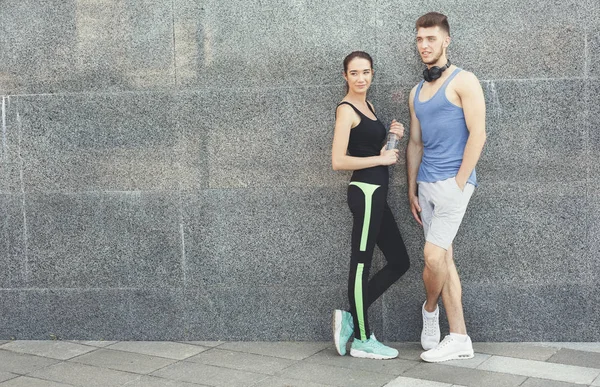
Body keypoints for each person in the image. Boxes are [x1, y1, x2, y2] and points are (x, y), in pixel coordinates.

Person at [406, 12, 487, 362]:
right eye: (420, 39)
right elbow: (415, 143)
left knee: (432, 256)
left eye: (431, 39)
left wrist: (459, 181)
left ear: (446, 40)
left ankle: (429, 309)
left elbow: (479, 133)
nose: (424, 45)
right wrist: (410, 187)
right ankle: (459, 337)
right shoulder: (416, 92)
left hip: (454, 184)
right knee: (445, 259)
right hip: (426, 183)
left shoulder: (464, 80)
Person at [331, 51, 411, 360]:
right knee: (361, 263)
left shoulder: (370, 106)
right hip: (364, 191)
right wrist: (380, 158)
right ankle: (363, 339)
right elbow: (338, 161)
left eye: (366, 72)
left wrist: (392, 138)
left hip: (378, 192)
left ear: (372, 74)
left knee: (399, 261)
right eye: (354, 73)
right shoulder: (346, 110)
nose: (361, 78)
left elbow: (371, 148)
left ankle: (351, 316)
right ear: (345, 77)